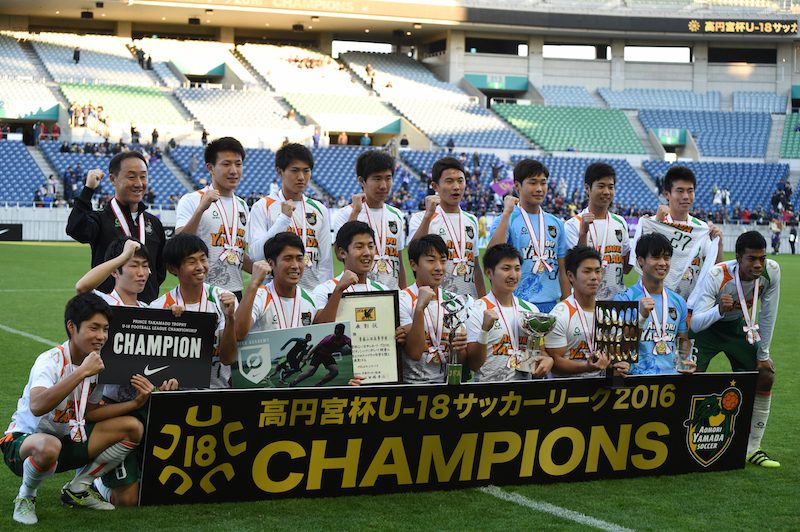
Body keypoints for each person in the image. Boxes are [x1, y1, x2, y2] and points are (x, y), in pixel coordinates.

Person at [1, 294, 146, 524]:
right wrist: (81, 372)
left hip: (66, 440)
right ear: (72, 327)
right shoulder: (50, 360)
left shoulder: (95, 363)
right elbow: (37, 406)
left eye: (105, 329)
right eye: (93, 328)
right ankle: (26, 497)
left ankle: (78, 487)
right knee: (49, 445)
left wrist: (134, 404)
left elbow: (88, 412)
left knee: (132, 427)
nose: (101, 336)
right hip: (23, 443)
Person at [72, 239, 178, 506]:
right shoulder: (104, 304)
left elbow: (161, 367)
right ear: (116, 271)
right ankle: (94, 479)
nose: (143, 273)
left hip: (143, 407)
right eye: (134, 265)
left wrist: (176, 320)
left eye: (146, 266)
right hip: (108, 409)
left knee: (160, 490)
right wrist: (123, 255)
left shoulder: (150, 312)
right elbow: (82, 287)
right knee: (126, 501)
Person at [690, 231, 781, 468]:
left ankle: (753, 448)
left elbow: (768, 314)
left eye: (762, 258)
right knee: (688, 378)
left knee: (765, 374)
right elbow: (696, 322)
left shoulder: (771, 272)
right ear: (738, 257)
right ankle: (682, 441)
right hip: (706, 330)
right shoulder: (717, 275)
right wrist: (719, 310)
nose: (758, 264)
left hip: (738, 328)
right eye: (752, 259)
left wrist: (763, 354)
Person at [66, 151, 166, 303]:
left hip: (145, 311)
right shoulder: (100, 219)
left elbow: (159, 271)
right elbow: (75, 229)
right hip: (107, 309)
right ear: (113, 179)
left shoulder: (153, 223)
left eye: (143, 176)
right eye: (131, 177)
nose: (139, 183)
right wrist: (88, 190)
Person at [150, 233, 238, 388]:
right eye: (191, 262)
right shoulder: (159, 307)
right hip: (178, 393)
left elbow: (228, 358)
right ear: (172, 268)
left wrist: (230, 318)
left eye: (203, 259)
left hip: (218, 391)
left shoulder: (224, 299)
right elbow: (154, 364)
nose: (200, 266)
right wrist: (170, 324)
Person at [631, 166, 723, 307]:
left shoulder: (701, 229)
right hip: (656, 306)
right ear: (667, 194)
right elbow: (639, 264)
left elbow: (715, 269)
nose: (686, 196)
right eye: (680, 191)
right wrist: (656, 225)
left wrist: (719, 243)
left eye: (690, 191)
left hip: (688, 307)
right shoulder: (652, 224)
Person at [248, 143, 332, 293]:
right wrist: (283, 219)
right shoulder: (262, 207)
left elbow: (325, 263)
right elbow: (256, 255)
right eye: (294, 170)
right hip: (274, 295)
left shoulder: (319, 209)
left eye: (306, 171)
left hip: (311, 295)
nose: (301, 177)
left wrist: (324, 295)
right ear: (280, 172)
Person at [488, 159, 569, 313]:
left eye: (543, 183)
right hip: (516, 306)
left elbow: (563, 271)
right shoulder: (506, 220)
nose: (539, 188)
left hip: (551, 306)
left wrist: (567, 309)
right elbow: (491, 258)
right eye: (533, 182)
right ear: (517, 186)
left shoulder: (556, 224)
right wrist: (506, 214)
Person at [175, 137, 251, 297]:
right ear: (210, 168)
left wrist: (271, 270)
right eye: (226, 164)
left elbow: (236, 252)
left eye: (238, 164)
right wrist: (200, 210)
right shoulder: (192, 200)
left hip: (234, 292)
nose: (233, 170)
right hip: (201, 292)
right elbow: (179, 245)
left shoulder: (242, 205)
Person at [466, 243, 552, 382]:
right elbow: (473, 365)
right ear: (489, 273)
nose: (513, 275)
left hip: (524, 390)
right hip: (488, 391)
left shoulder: (530, 310)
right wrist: (484, 331)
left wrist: (548, 360)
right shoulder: (477, 310)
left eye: (517, 269)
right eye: (506, 268)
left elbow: (540, 351)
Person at [544, 246, 629, 378]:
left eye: (597, 271)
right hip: (568, 390)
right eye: (587, 271)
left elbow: (612, 357)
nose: (594, 277)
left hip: (601, 389)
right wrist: (587, 367)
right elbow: (555, 364)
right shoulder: (559, 315)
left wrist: (617, 367)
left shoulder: (609, 314)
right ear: (570, 276)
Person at [615, 233, 693, 375]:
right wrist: (641, 318)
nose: (663, 263)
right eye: (656, 257)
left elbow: (683, 343)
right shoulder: (625, 300)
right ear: (640, 260)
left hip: (671, 380)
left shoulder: (678, 301)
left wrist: (686, 361)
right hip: (637, 380)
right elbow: (620, 349)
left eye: (667, 257)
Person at [409, 157, 486, 300]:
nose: (456, 187)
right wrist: (428, 216)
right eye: (449, 181)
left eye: (460, 181)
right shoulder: (421, 218)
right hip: (437, 302)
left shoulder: (471, 220)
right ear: (435, 186)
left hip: (469, 303)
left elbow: (475, 266)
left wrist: (482, 301)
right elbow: (413, 254)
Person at [332, 150, 407, 289]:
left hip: (392, 295)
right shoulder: (346, 214)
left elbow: (399, 261)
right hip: (360, 293)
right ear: (362, 181)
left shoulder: (396, 215)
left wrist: (403, 293)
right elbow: (340, 255)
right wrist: (355, 213)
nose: (383, 185)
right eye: (377, 179)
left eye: (388, 178)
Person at [399, 235, 468, 384]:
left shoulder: (455, 301)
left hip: (447, 385)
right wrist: (419, 309)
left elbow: (461, 361)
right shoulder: (402, 299)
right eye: (431, 261)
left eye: (443, 260)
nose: (439, 267)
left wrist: (460, 348)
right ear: (413, 265)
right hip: (412, 386)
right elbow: (415, 353)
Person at [565, 162, 632, 299]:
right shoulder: (572, 225)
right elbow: (576, 266)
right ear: (587, 188)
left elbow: (626, 269)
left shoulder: (620, 223)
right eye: (601, 186)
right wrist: (583, 233)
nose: (606, 192)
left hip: (618, 301)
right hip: (587, 302)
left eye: (610, 187)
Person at [234, 233, 317, 340]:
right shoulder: (260, 297)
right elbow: (237, 333)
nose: (295, 266)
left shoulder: (310, 298)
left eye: (299, 259)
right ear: (271, 264)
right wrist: (253, 285)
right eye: (288, 259)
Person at [312, 221, 389, 323]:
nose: (367, 253)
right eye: (359, 247)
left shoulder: (383, 291)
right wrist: (338, 290)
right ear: (342, 252)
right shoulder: (324, 290)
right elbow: (320, 328)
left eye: (370, 246)